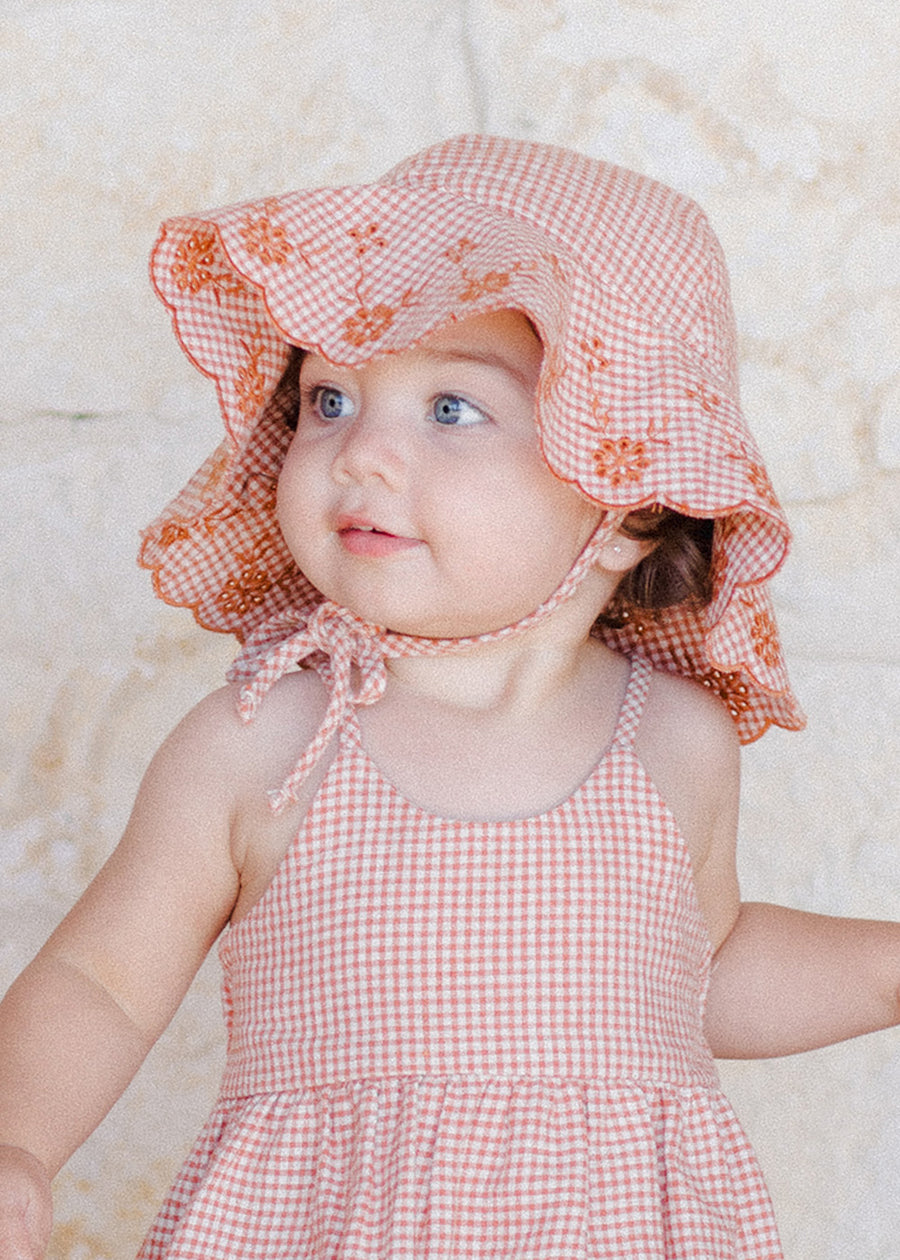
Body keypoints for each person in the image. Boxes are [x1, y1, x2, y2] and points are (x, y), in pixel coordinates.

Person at [0, 134, 897, 1260]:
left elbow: (699, 970)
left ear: (628, 499)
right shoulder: (264, 738)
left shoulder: (674, 739)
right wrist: (19, 1143)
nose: (361, 454)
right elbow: (103, 981)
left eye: (452, 410)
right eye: (329, 397)